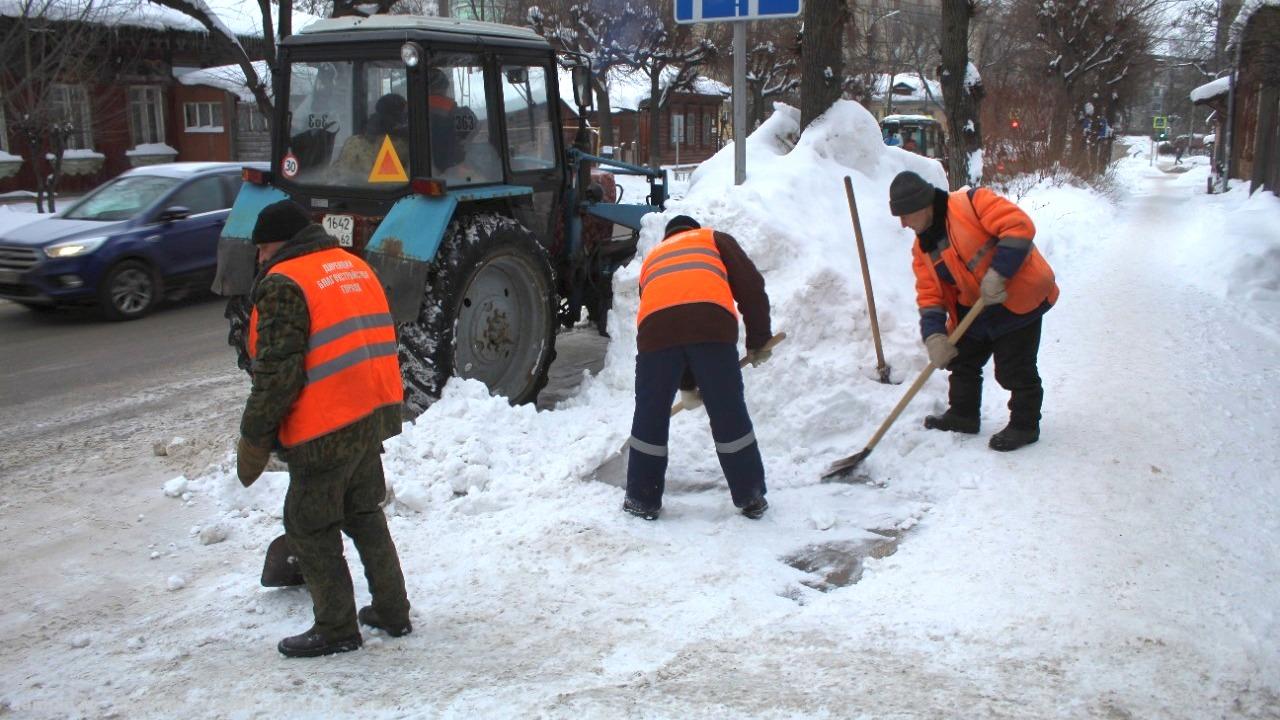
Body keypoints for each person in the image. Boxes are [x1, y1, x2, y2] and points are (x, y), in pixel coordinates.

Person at [235, 200, 411, 658]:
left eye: (264, 248)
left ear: (283, 244)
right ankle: (393, 612)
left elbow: (277, 373)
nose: (259, 258)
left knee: (309, 525)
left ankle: (336, 628)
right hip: (371, 412)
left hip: (325, 424)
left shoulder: (284, 283)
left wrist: (254, 436)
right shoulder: (351, 265)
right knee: (364, 514)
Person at [888, 171, 1059, 452]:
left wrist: (999, 273)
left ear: (924, 206)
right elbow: (930, 294)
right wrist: (934, 336)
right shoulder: (923, 247)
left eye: (906, 215)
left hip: (1017, 295)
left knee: (1014, 368)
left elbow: (1019, 227)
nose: (903, 224)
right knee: (963, 358)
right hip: (977, 305)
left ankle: (1025, 425)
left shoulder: (972, 202)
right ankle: (963, 415)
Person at [624, 215, 773, 521]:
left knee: (650, 415)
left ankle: (641, 498)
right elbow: (750, 286)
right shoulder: (712, 239)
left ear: (668, 236)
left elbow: (670, 314)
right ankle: (750, 496)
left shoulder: (653, 257)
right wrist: (758, 340)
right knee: (727, 410)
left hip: (655, 334)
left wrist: (686, 383)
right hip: (710, 326)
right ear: (693, 229)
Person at [332, 92, 409, 181]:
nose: (406, 118)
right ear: (398, 117)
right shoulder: (403, 146)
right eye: (405, 114)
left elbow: (335, 176)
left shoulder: (353, 142)